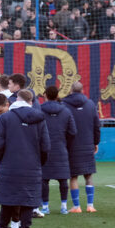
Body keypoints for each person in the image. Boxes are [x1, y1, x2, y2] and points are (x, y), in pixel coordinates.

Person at [0, 90, 50, 228]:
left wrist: (0, 161)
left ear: (15, 100)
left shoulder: (5, 118)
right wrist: (38, 162)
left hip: (9, 165)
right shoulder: (39, 118)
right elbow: (46, 146)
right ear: (31, 101)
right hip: (32, 165)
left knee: (8, 200)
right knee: (28, 200)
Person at [62, 82, 101, 213]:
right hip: (88, 143)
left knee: (73, 176)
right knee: (88, 175)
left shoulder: (64, 104)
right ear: (83, 90)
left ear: (71, 90)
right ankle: (90, 205)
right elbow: (97, 126)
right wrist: (96, 142)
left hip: (71, 145)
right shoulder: (90, 104)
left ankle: (76, 206)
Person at [39, 86, 77, 216]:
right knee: (63, 179)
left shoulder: (39, 110)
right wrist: (65, 143)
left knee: (44, 179)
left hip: (44, 149)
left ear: (45, 95)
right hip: (61, 148)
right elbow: (73, 132)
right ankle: (64, 207)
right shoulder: (66, 111)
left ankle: (45, 207)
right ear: (56, 96)